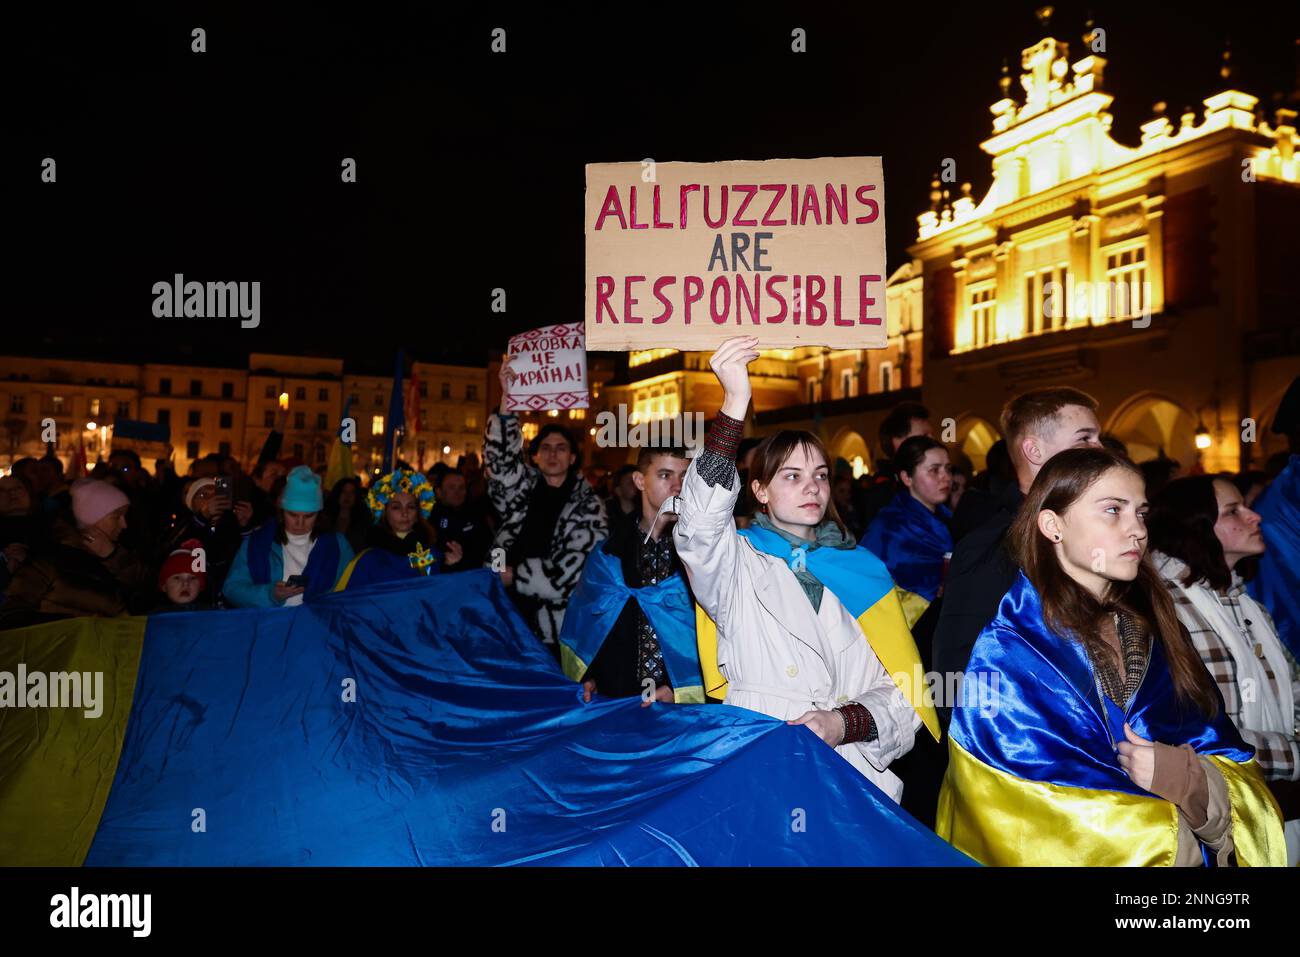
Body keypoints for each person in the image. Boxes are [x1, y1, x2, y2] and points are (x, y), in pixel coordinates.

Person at [937, 448, 1286, 866]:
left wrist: (1188, 779)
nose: (1136, 530)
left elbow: (1232, 759)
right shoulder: (1009, 652)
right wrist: (1175, 836)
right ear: (1053, 525)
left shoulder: (1157, 631)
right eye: (1112, 511)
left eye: (1140, 512)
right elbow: (1024, 815)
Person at [672, 336, 937, 800]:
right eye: (791, 476)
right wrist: (735, 403)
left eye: (818, 475)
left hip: (851, 777)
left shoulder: (864, 571)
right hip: (760, 766)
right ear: (759, 491)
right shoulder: (735, 563)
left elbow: (904, 690)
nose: (810, 486)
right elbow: (698, 522)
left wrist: (842, 723)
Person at [1148, 475, 1300, 865]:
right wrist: (1296, 757)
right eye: (1233, 511)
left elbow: (1295, 687)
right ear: (1196, 528)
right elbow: (1206, 734)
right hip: (1222, 816)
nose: (1254, 516)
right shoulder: (1171, 609)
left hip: (1279, 797)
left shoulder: (1244, 601)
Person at [931, 386, 1102, 727]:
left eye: (1098, 437)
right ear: (1034, 450)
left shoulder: (1094, 533)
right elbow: (957, 672)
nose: (1099, 449)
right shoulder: (994, 545)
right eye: (1084, 438)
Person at [559, 447, 702, 705]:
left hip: (681, 696)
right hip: (616, 693)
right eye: (665, 475)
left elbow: (715, 630)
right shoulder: (609, 554)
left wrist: (674, 688)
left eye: (684, 476)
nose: (677, 486)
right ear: (639, 481)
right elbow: (586, 620)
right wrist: (591, 676)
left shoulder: (704, 551)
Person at [484, 356, 608, 650]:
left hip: (553, 626)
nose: (553, 454)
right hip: (502, 612)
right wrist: (507, 398)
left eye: (561, 448)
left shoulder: (589, 507)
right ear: (535, 456)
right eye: (545, 448)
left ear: (573, 458)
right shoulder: (521, 489)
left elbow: (574, 574)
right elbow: (499, 465)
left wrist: (515, 576)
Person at [0, 478, 154, 621]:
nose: (124, 524)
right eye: (116, 516)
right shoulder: (51, 557)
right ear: (92, 517)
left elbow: (141, 599)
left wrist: (113, 556)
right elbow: (14, 613)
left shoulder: (120, 551)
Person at [224, 466, 354, 608]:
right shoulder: (257, 542)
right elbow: (232, 589)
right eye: (292, 515)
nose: (300, 523)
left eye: (309, 516)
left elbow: (352, 588)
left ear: (319, 514)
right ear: (282, 511)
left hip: (318, 626)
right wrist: (270, 594)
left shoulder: (337, 544)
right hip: (270, 626)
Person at [860, 435, 953, 624]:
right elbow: (869, 584)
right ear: (906, 477)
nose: (945, 477)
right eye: (934, 470)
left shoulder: (950, 519)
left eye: (948, 469)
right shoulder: (890, 527)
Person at [334, 468, 462, 588]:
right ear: (384, 512)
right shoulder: (369, 557)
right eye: (396, 507)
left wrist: (450, 566)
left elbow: (442, 596)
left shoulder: (432, 554)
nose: (404, 513)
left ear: (418, 514)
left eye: (411, 507)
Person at [157, 476, 252, 603]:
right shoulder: (184, 525)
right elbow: (174, 550)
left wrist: (244, 525)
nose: (210, 499)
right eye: (203, 495)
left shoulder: (230, 525)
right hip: (194, 599)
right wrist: (203, 516)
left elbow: (247, 559)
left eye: (215, 494)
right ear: (191, 503)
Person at [856, 401, 933, 531]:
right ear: (899, 442)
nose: (932, 440)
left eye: (931, 434)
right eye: (924, 435)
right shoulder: (884, 492)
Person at [429, 469, 493, 570]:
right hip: (442, 580)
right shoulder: (429, 520)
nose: (457, 492)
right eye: (452, 487)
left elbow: (495, 545)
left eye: (461, 487)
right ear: (439, 492)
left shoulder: (476, 514)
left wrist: (498, 574)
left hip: (475, 579)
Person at [153, 538, 214, 612]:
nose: (185, 583)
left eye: (192, 578)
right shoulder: (150, 619)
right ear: (164, 586)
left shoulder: (213, 615)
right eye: (177, 578)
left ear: (200, 586)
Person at [323, 477, 372, 554]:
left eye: (352, 492)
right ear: (337, 493)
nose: (347, 496)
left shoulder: (363, 522)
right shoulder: (325, 519)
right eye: (343, 491)